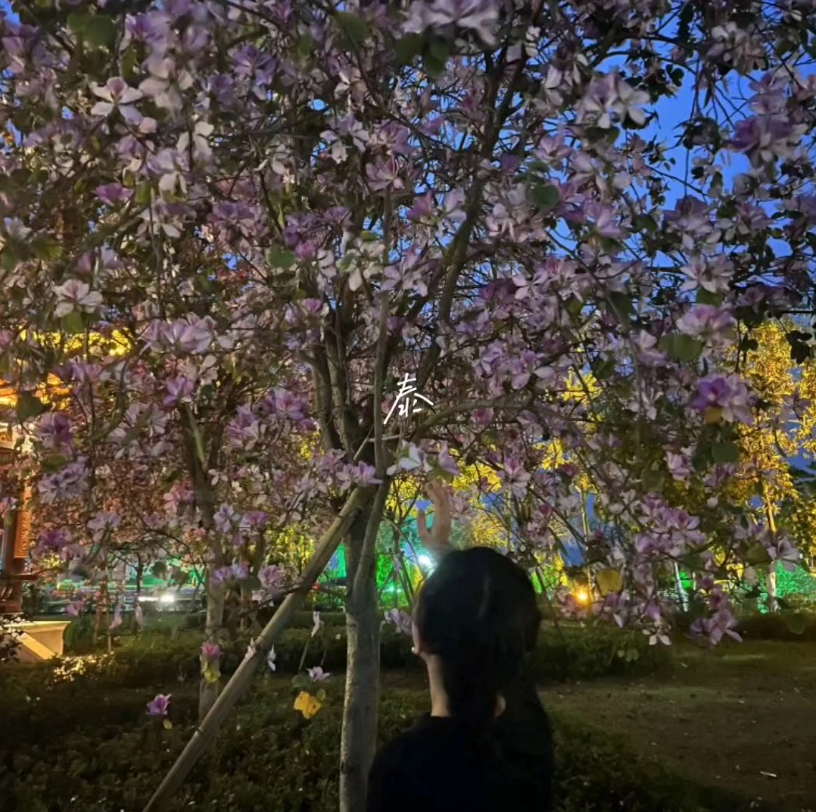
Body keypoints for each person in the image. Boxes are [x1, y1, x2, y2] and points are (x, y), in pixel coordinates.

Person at [366, 482, 554, 812]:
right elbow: (495, 618)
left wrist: (446, 558)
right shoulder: (526, 735)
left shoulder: (403, 768)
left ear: (420, 640)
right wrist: (445, 555)